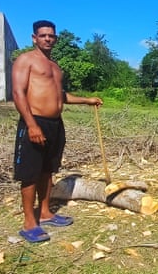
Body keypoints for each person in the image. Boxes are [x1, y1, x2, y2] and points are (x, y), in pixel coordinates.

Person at [12, 20, 103, 243]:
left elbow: (60, 96)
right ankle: (29, 223)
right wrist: (31, 125)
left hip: (55, 125)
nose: (47, 39)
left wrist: (87, 100)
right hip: (34, 122)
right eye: (43, 35)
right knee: (30, 173)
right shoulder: (26, 60)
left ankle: (45, 213)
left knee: (47, 171)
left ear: (56, 39)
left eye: (51, 36)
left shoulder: (55, 67)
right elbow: (17, 93)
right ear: (34, 38)